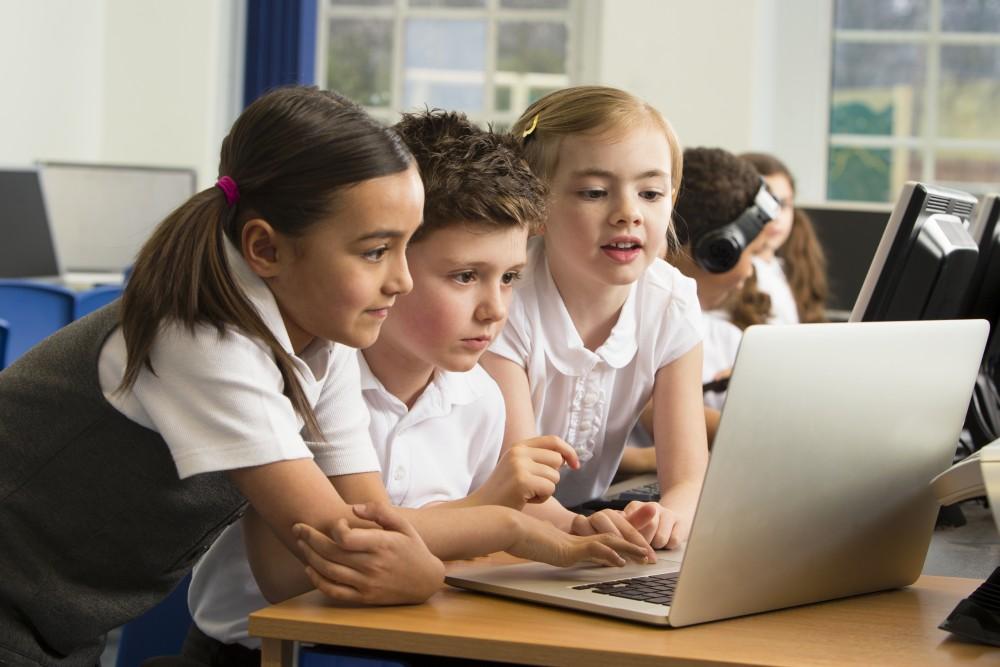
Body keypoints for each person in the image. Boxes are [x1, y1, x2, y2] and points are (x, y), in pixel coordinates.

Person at [0, 88, 640, 667]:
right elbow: (332, 548)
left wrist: (478, 539)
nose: (402, 279)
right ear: (266, 249)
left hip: (59, 625)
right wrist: (509, 527)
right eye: (374, 251)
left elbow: (366, 521)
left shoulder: (321, 344)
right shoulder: (207, 341)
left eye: (406, 245)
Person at [183, 109, 653, 664]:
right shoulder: (305, 379)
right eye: (463, 277)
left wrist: (582, 529)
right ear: (388, 253)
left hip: (405, 636)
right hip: (269, 652)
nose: (494, 309)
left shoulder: (477, 396)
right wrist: (502, 522)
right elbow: (318, 560)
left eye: (508, 278)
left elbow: (500, 510)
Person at [480, 86, 708, 550]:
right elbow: (515, 489)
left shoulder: (672, 302)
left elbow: (689, 477)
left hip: (581, 536)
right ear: (536, 206)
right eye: (594, 192)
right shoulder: (505, 301)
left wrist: (667, 520)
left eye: (650, 192)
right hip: (490, 535)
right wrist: (586, 534)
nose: (628, 213)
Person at [620, 147, 774, 472]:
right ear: (719, 251)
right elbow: (658, 408)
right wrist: (781, 437)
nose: (752, 272)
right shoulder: (638, 309)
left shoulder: (722, 335)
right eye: (755, 252)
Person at [728, 152, 828, 328]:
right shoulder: (730, 279)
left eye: (784, 204)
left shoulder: (791, 269)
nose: (777, 217)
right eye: (765, 206)